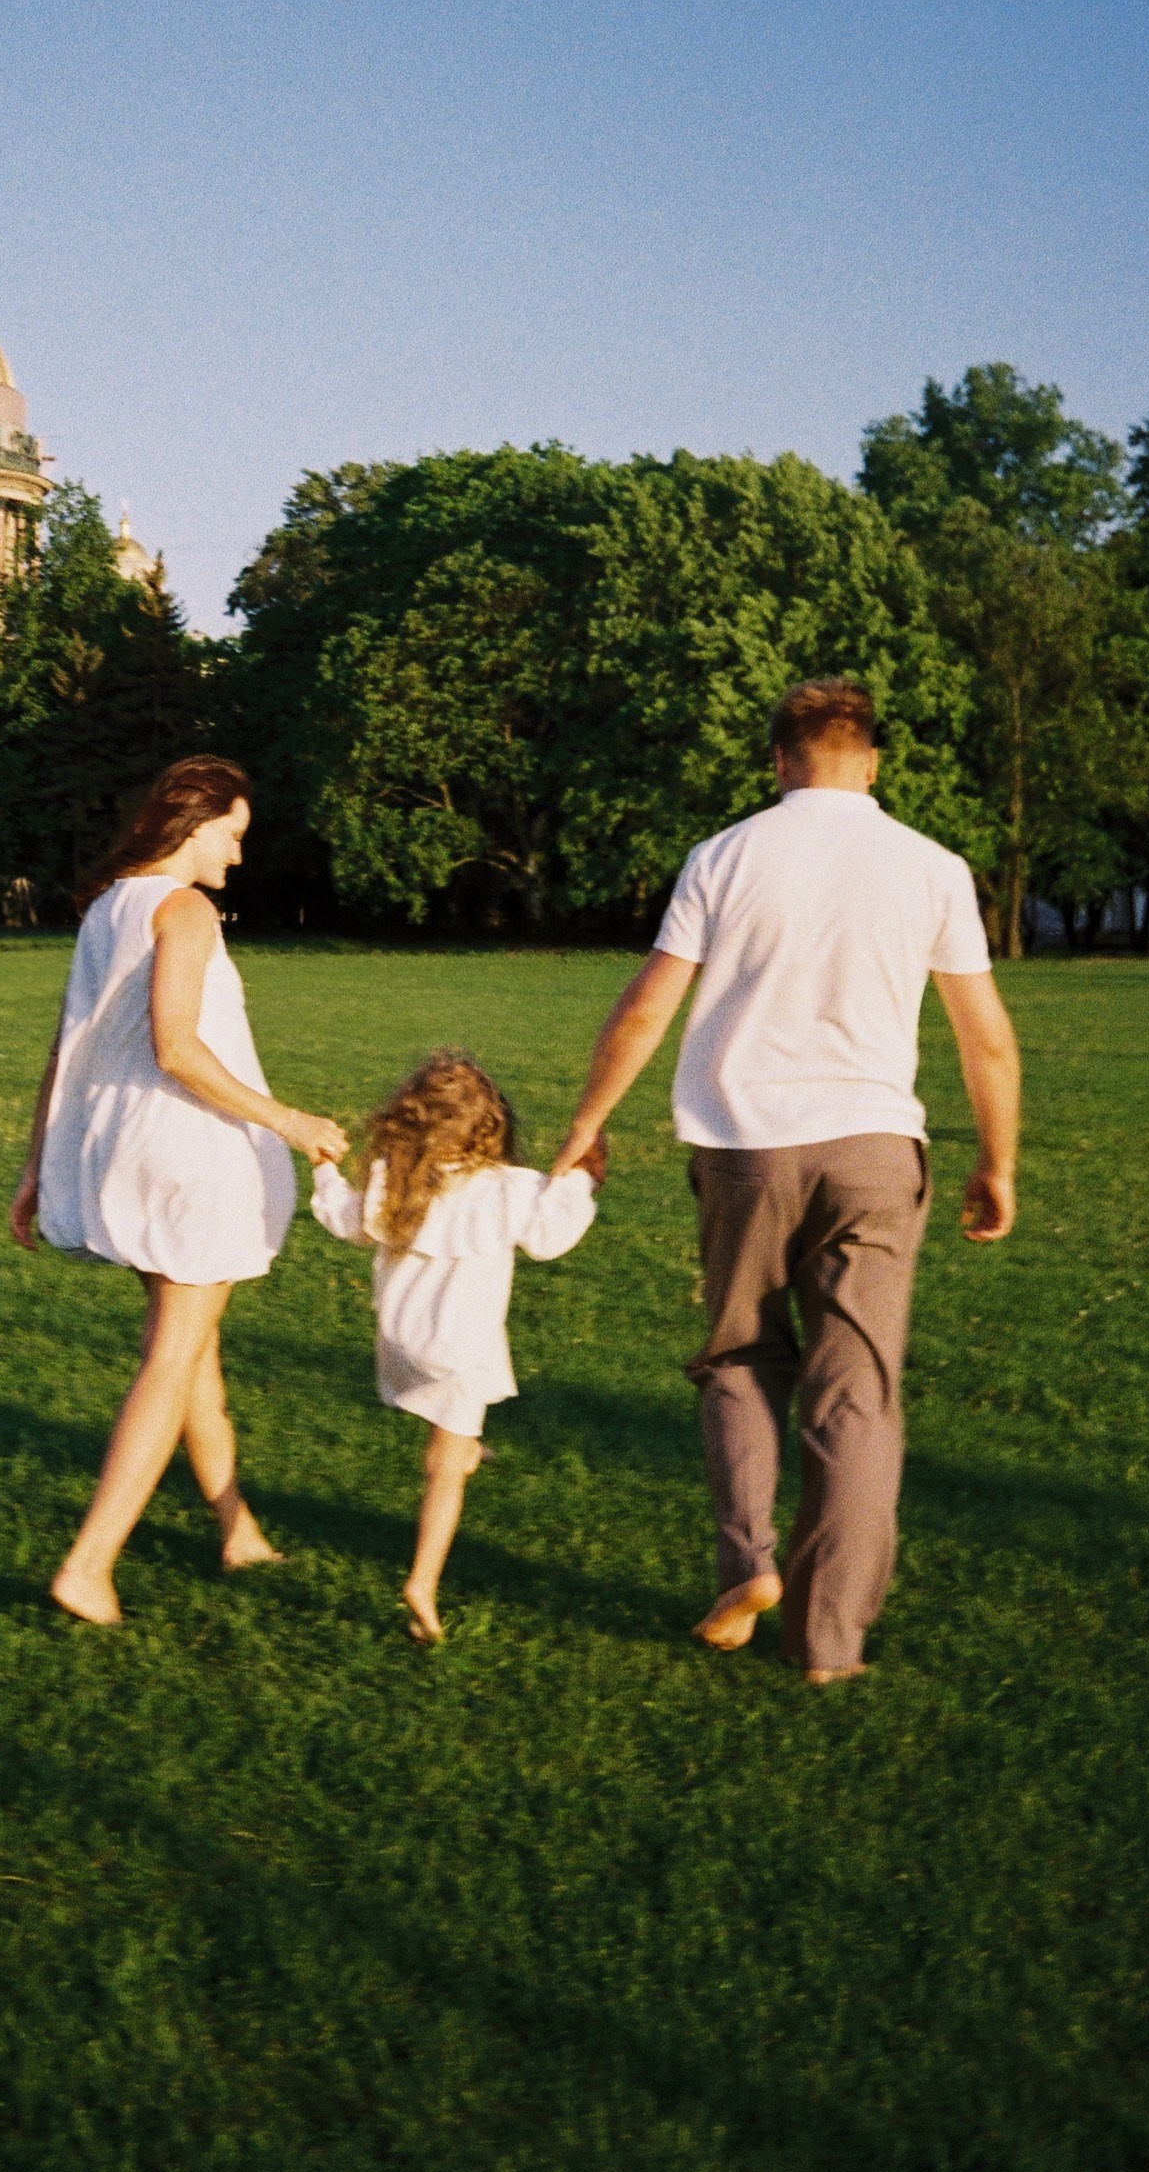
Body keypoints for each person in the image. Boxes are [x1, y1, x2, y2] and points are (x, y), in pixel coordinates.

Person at [550, 679, 1020, 1685]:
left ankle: (747, 1564)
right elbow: (984, 1036)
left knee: (740, 1357)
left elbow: (646, 1007)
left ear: (777, 761)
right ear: (873, 762)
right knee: (856, 1399)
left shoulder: (724, 856)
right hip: (875, 1153)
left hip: (743, 1149)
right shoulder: (932, 867)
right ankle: (828, 1647)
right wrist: (997, 1161)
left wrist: (587, 1123)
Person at [11, 756, 349, 1627]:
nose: (236, 854)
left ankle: (238, 1530)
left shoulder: (106, 909)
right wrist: (292, 1121)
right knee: (170, 1358)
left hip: (120, 1153)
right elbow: (177, 1048)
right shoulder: (184, 908)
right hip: (187, 1155)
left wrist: (35, 1165)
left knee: (190, 1349)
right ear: (192, 826)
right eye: (231, 835)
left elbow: (64, 1047)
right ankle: (88, 1566)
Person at [310, 1051, 599, 1646]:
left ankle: (468, 1448)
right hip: (458, 1347)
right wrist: (582, 1179)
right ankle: (423, 1582)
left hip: (401, 1338)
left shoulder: (394, 1180)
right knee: (445, 1465)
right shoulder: (510, 1189)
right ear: (491, 1126)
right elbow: (551, 1237)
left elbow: (346, 1220)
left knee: (461, 1408)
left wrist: (325, 1172)